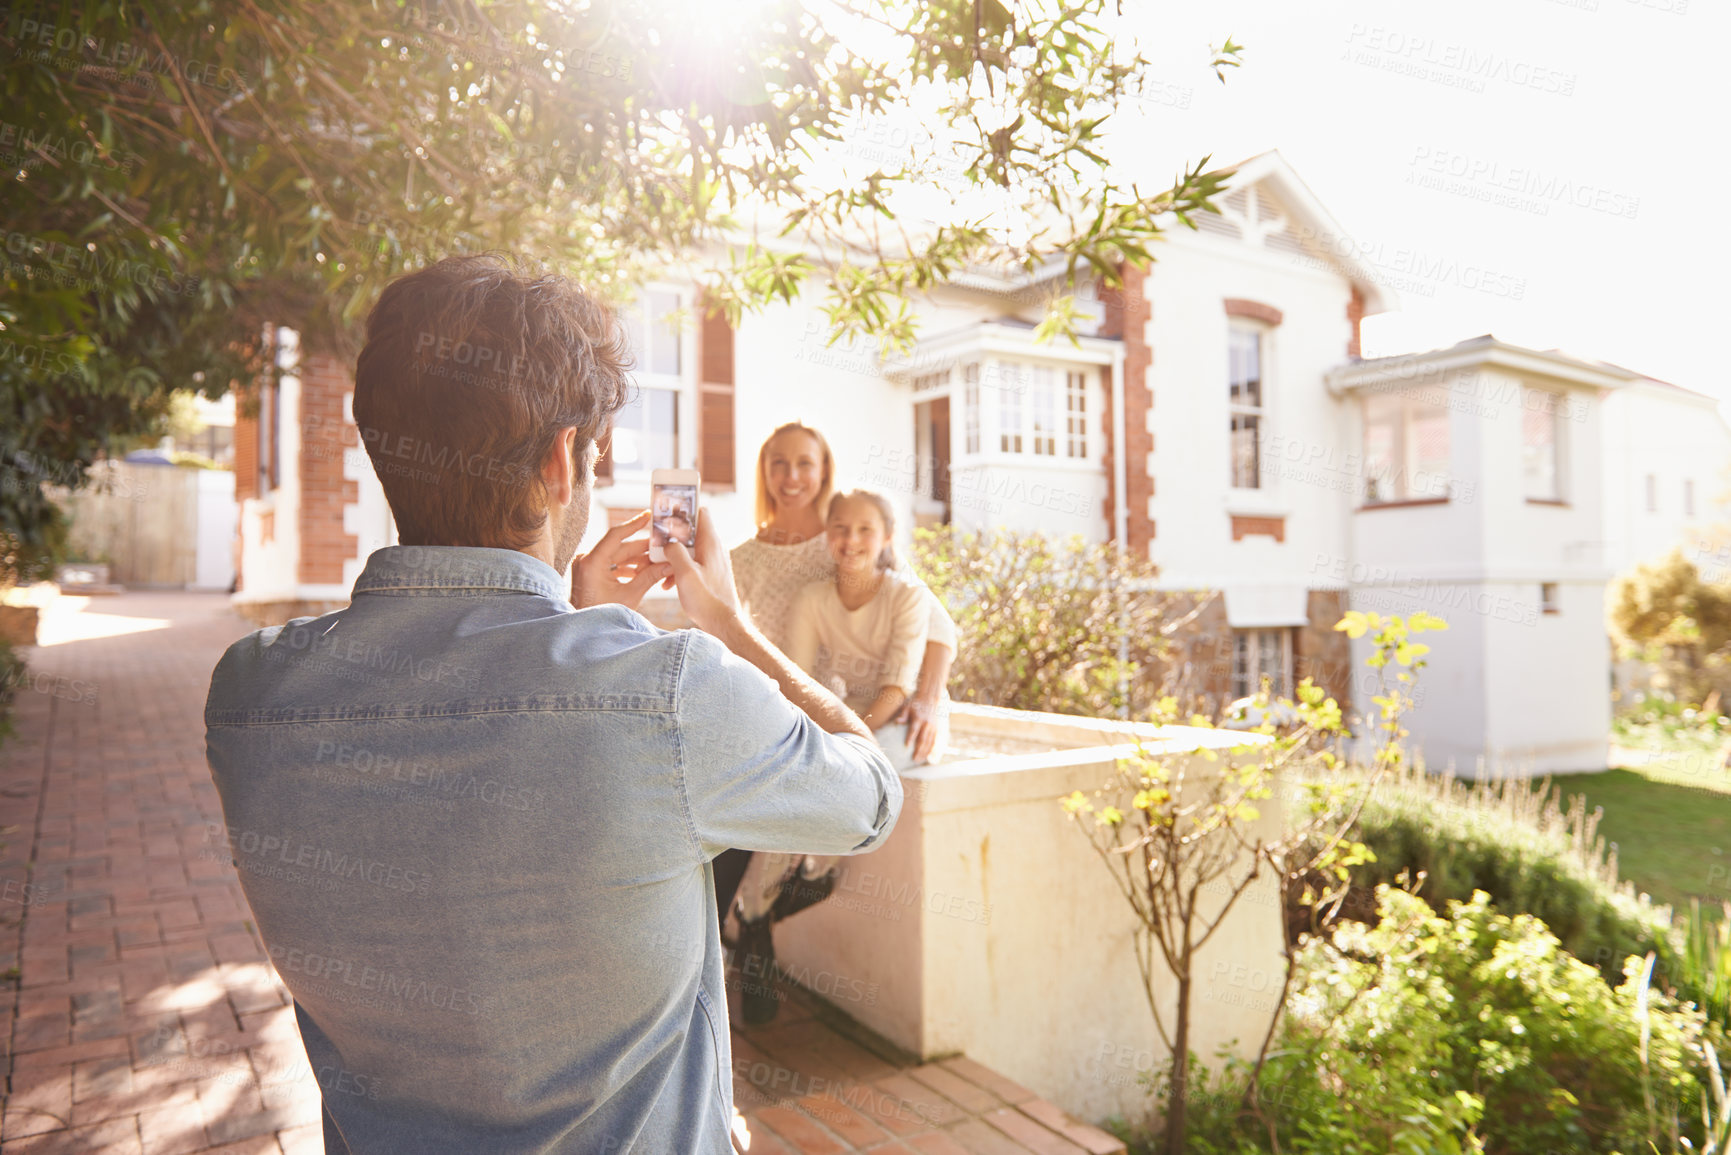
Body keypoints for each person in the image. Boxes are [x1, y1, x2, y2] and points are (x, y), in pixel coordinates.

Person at [202, 255, 902, 1154]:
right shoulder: (668, 692)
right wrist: (729, 625)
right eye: (596, 449)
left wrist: (570, 624)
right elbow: (870, 795)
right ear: (561, 458)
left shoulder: (250, 695)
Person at [714, 423, 957, 1025]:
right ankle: (727, 950)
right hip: (776, 710)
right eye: (778, 463)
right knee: (722, 817)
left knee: (775, 806)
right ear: (764, 472)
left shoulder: (850, 532)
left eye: (805, 463)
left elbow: (937, 624)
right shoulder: (743, 557)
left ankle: (749, 931)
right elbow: (723, 635)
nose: (791, 476)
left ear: (825, 470)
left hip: (838, 715)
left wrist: (927, 697)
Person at [787, 488, 949, 768]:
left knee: (861, 766)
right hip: (852, 712)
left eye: (865, 529)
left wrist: (851, 739)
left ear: (887, 537)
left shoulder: (907, 594)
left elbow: (896, 689)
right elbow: (798, 681)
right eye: (840, 528)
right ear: (827, 533)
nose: (851, 540)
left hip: (907, 717)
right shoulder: (811, 599)